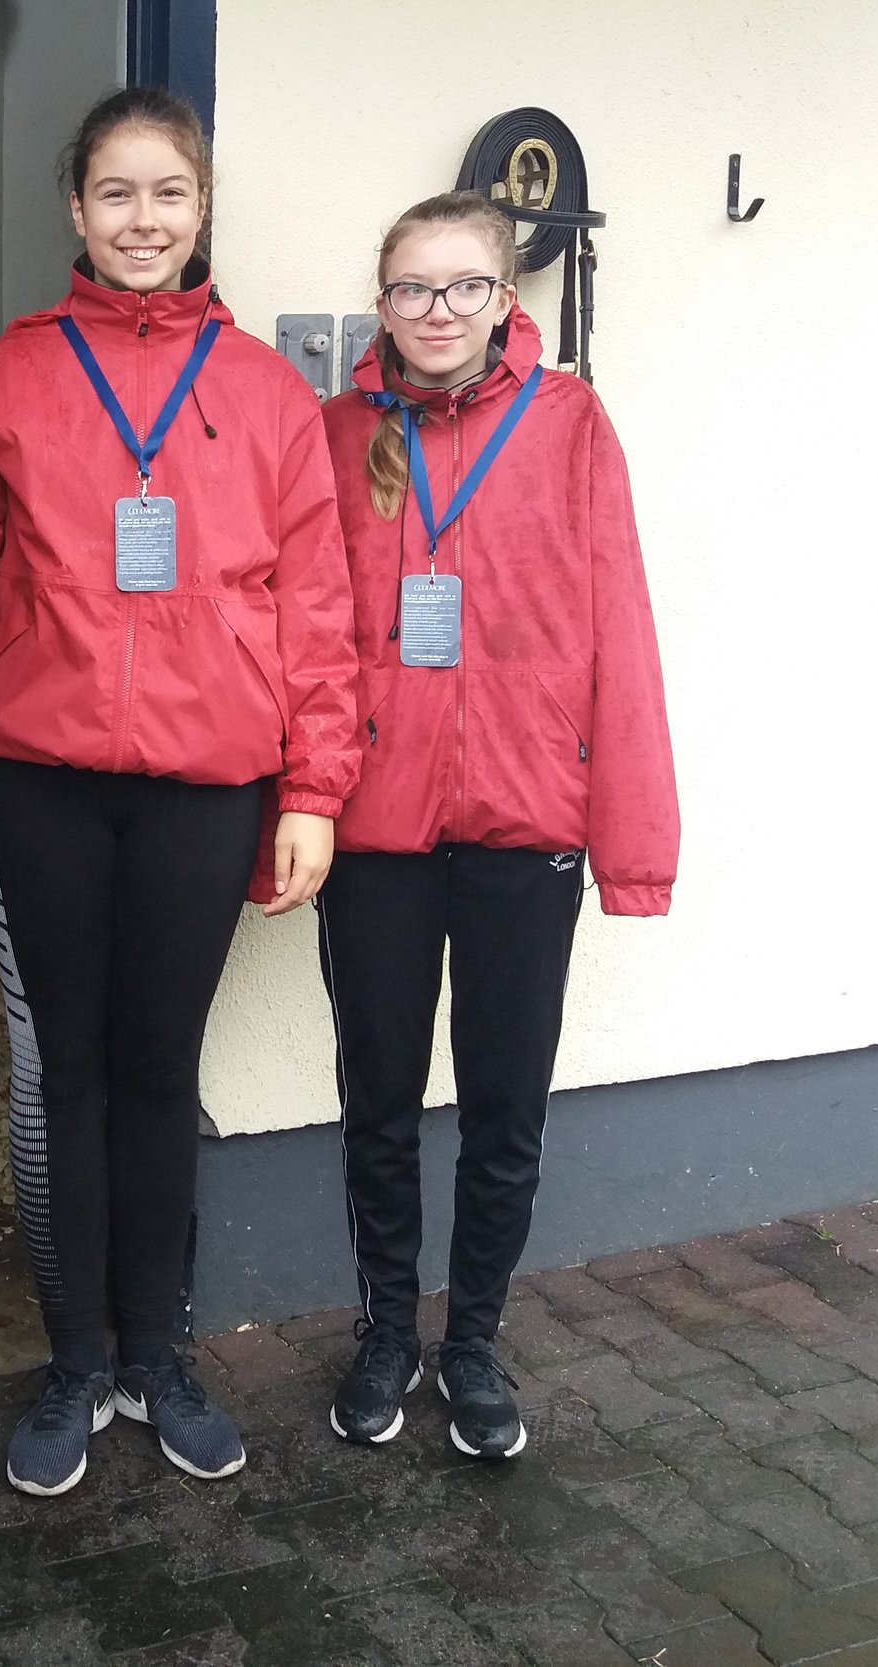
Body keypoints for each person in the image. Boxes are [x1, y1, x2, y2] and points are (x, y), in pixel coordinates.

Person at [0, 86, 361, 1496]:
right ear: (76, 212)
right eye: (119, 195)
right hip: (43, 787)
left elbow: (316, 612)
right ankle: (74, 1362)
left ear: (202, 213)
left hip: (208, 791)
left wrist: (314, 784)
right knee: (62, 1073)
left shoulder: (266, 397)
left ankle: (163, 1354)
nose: (146, 221)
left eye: (171, 195)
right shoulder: (5, 382)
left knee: (158, 1071)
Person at [313, 192, 678, 1460]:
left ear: (505, 298)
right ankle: (383, 1337)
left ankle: (470, 1340)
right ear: (382, 302)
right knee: (378, 1106)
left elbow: (619, 631)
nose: (436, 313)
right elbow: (306, 639)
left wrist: (630, 842)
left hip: (529, 826)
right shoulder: (338, 429)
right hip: (379, 833)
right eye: (411, 289)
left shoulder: (571, 425)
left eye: (463, 287)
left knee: (505, 1108)